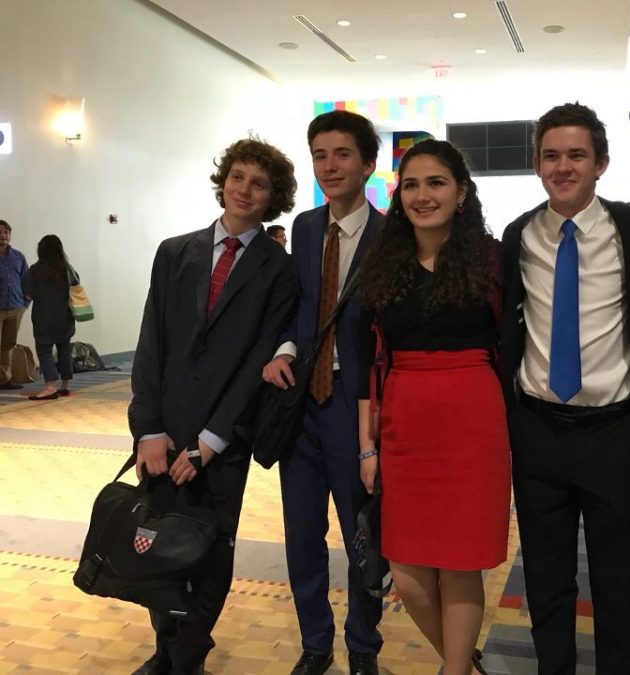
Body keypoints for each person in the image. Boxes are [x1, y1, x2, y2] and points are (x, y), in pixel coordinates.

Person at [499, 102, 630, 674]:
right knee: (545, 581)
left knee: (617, 582)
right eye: (551, 155)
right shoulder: (517, 235)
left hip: (614, 435)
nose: (563, 166)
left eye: (577, 154)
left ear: (601, 163)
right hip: (538, 430)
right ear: (537, 164)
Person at [128, 137, 297, 675]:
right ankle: (162, 649)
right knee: (155, 542)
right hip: (165, 432)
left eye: (260, 183)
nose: (245, 190)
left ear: (273, 197)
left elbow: (257, 360)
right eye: (239, 176)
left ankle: (189, 655)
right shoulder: (175, 252)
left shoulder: (277, 268)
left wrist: (213, 439)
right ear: (223, 180)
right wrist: (148, 427)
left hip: (222, 437)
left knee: (210, 548)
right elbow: (150, 341)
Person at [356, 139, 510, 675]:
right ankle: (462, 664)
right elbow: (364, 362)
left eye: (437, 183)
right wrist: (365, 446)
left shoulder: (492, 260)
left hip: (474, 418)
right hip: (404, 420)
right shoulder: (384, 263)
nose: (423, 195)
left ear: (461, 193)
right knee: (407, 573)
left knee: (461, 562)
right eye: (412, 185)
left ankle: (453, 672)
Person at [261, 110, 383, 675]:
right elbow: (300, 308)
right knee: (302, 532)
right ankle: (316, 644)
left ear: (368, 164)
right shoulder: (307, 229)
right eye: (320, 156)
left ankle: (362, 647)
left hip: (357, 409)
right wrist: (286, 349)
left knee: (362, 534)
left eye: (342, 155)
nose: (330, 166)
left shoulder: (392, 235)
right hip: (302, 408)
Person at [22, 235, 79, 400]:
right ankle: (65, 386)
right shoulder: (67, 269)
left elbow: (27, 292)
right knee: (64, 350)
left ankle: (50, 387)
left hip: (43, 318)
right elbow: (76, 285)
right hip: (65, 317)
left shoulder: (35, 270)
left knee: (45, 352)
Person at [0, 219, 29, 390]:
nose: (3, 236)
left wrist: (25, 304)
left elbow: (26, 281)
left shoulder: (18, 257)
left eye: (6, 232)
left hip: (16, 307)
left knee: (8, 344)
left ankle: (4, 378)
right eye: (0, 232)